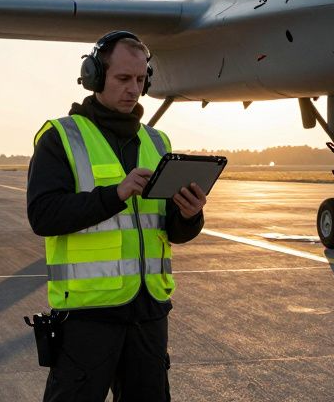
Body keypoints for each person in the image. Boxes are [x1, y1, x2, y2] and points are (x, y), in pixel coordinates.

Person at [27, 30, 206, 401]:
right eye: (123, 79)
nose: (133, 89)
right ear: (94, 77)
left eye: (141, 80)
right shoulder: (62, 137)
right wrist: (115, 194)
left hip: (149, 313)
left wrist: (189, 216)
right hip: (88, 315)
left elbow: (167, 229)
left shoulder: (158, 143)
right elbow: (43, 216)